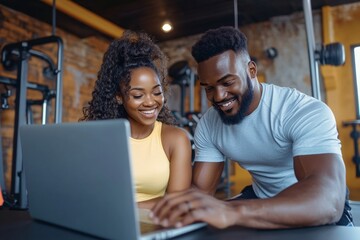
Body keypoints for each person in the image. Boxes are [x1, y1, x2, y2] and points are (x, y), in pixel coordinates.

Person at [150, 26, 353, 228]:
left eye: (228, 82)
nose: (219, 96)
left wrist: (234, 211)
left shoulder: (301, 111)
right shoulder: (209, 123)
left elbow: (328, 200)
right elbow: (200, 192)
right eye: (210, 88)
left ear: (251, 70)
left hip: (312, 204)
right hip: (260, 199)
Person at [81, 30, 192, 209]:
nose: (150, 102)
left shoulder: (176, 139)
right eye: (138, 95)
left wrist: (122, 207)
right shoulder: (101, 138)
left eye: (157, 92)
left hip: (154, 226)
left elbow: (177, 203)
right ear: (119, 97)